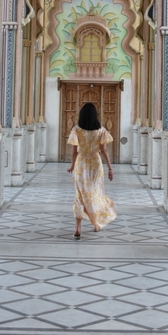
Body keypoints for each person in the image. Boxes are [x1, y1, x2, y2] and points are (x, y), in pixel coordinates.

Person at [67, 102, 117, 238]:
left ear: (81, 115)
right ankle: (96, 223)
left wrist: (72, 166)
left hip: (81, 165)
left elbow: (74, 152)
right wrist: (110, 168)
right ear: (95, 116)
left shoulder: (76, 130)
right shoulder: (101, 131)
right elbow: (104, 150)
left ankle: (77, 228)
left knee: (80, 195)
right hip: (95, 165)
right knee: (95, 194)